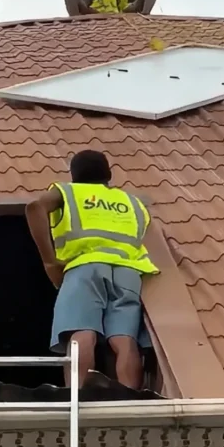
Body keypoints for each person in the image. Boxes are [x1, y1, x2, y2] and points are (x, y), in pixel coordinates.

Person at [24, 149, 159, 390]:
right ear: (109, 174)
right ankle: (129, 399)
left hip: (85, 269)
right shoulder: (133, 203)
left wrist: (49, 261)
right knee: (125, 340)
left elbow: (34, 208)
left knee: (82, 333)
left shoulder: (69, 192)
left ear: (74, 176)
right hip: (128, 272)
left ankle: (77, 395)